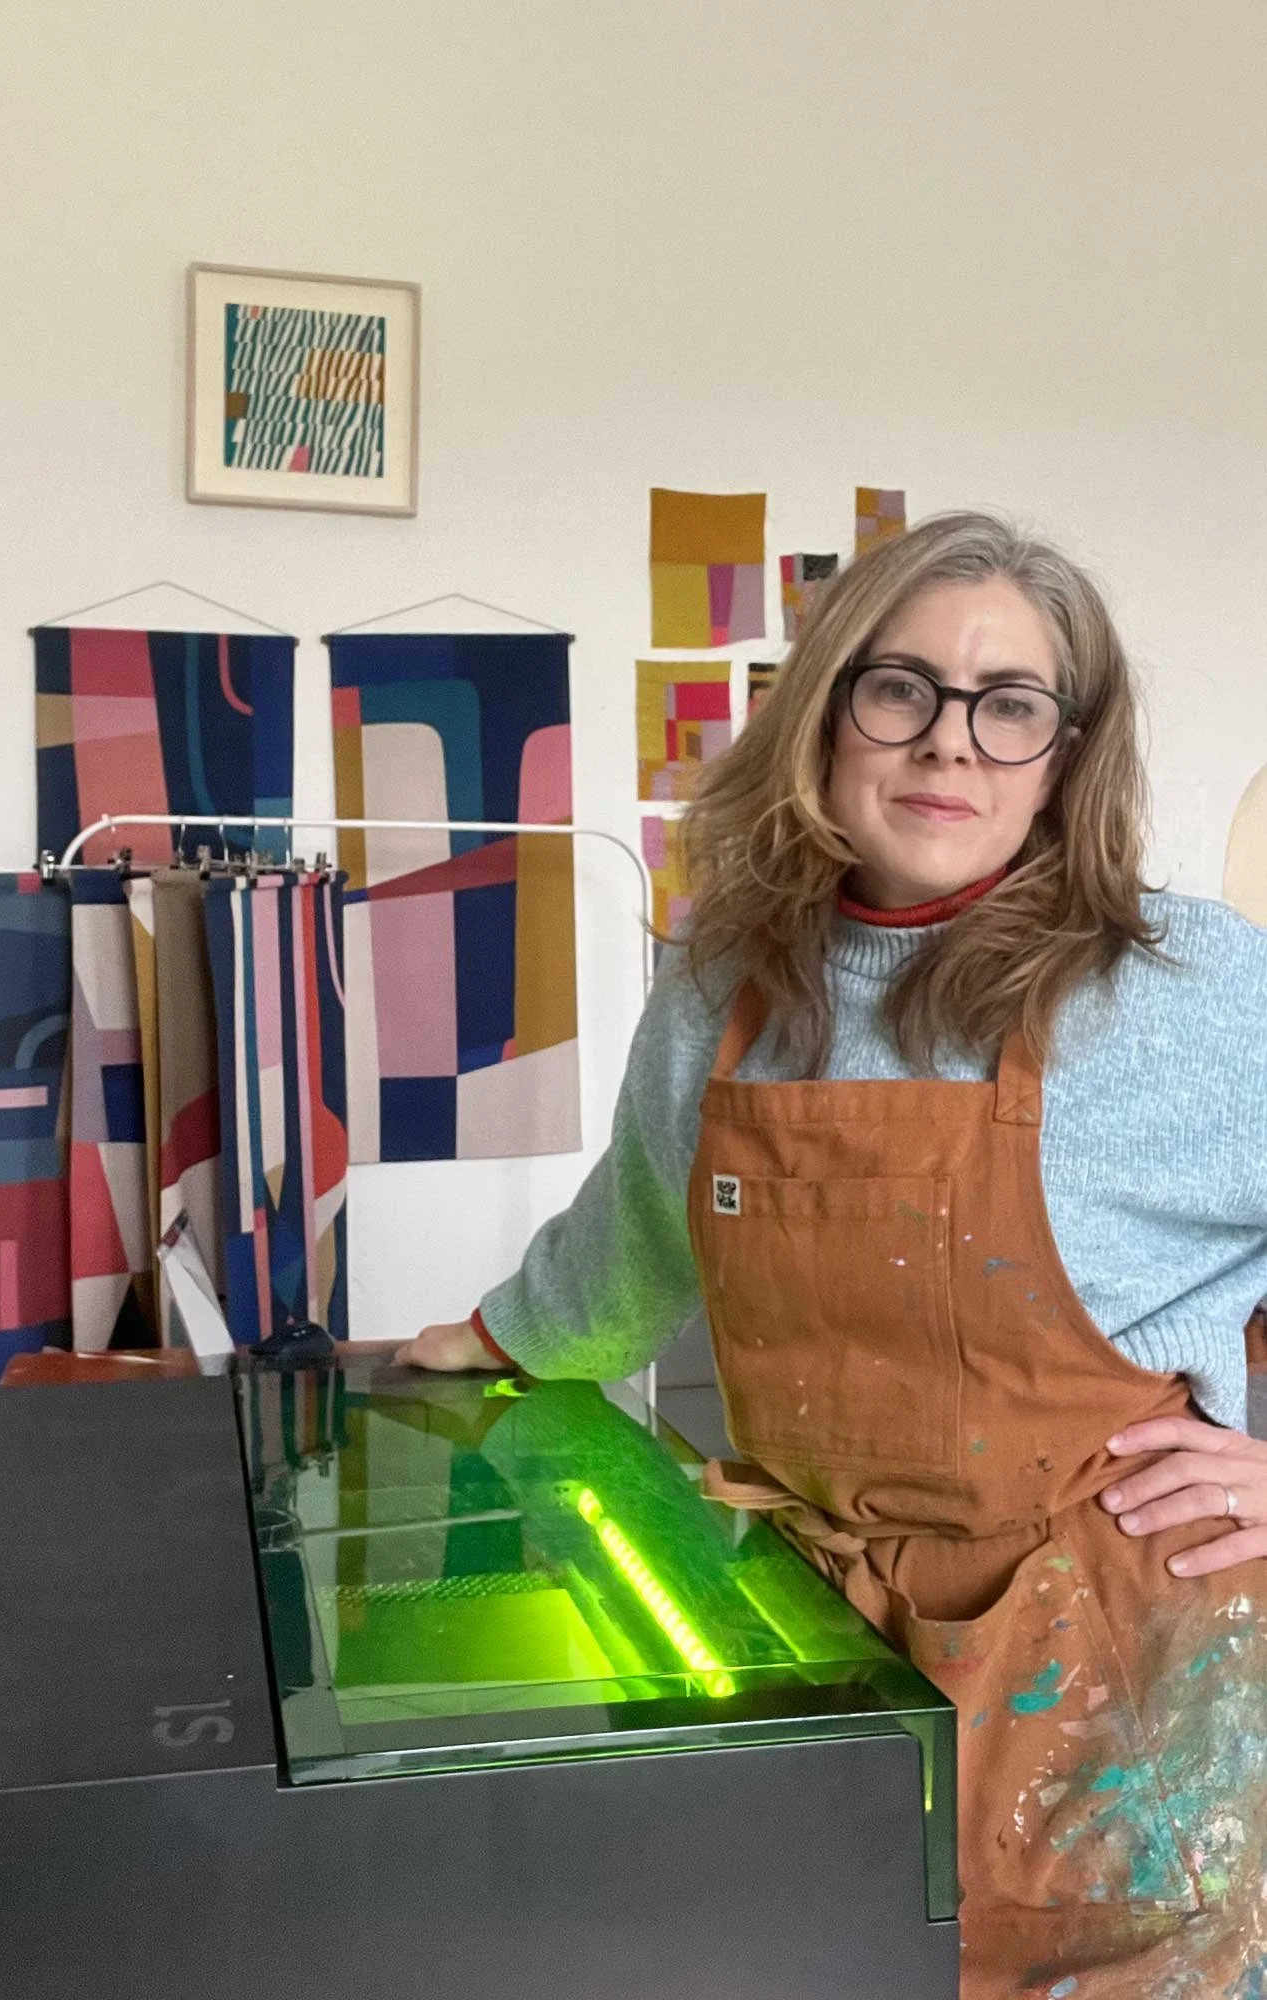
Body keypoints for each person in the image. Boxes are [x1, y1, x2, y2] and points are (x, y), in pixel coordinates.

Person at [397, 513, 1267, 1998]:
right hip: (815, 1655)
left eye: (1010, 707)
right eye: (902, 688)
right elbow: (635, 1239)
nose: (950, 746)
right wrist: (487, 1345)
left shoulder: (1182, 988)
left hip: (1119, 1707)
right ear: (826, 709)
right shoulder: (727, 985)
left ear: (1066, 752)